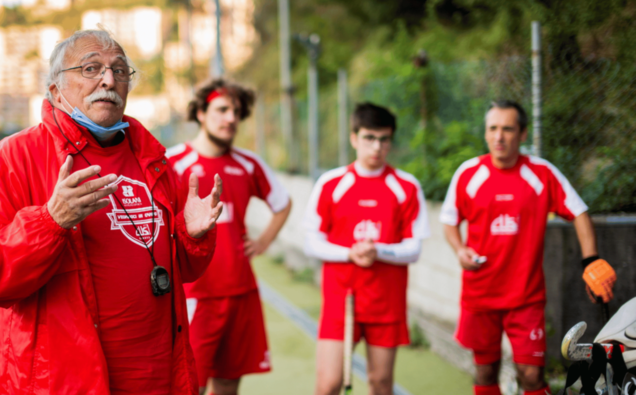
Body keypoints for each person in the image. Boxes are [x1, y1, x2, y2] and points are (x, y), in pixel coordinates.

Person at [0, 29, 224, 395]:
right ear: (55, 90)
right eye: (91, 68)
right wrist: (50, 223)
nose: (109, 79)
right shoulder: (16, 156)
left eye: (120, 70)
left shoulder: (153, 159)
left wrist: (193, 236)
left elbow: (182, 273)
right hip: (64, 382)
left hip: (160, 376)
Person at [440, 100, 617, 395]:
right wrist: (459, 249)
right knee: (485, 371)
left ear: (522, 134)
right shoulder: (469, 173)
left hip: (526, 297)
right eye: (493, 128)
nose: (499, 136)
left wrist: (590, 260)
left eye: (507, 129)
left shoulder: (541, 173)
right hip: (479, 294)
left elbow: (579, 212)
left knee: (531, 375)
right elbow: (448, 220)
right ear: (485, 133)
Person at [165, 78, 291, 395]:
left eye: (236, 111)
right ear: (201, 114)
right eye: (222, 109)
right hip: (195, 296)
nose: (231, 118)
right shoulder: (173, 162)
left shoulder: (249, 163)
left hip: (240, 292)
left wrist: (263, 241)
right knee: (188, 384)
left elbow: (283, 203)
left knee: (228, 385)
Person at [303, 102, 430, 395]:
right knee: (328, 384)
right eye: (369, 138)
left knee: (381, 384)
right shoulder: (331, 183)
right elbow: (312, 243)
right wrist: (350, 253)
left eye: (384, 139)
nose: (377, 147)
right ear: (354, 138)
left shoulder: (406, 186)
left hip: (386, 304)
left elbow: (414, 249)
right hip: (341, 301)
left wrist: (379, 251)